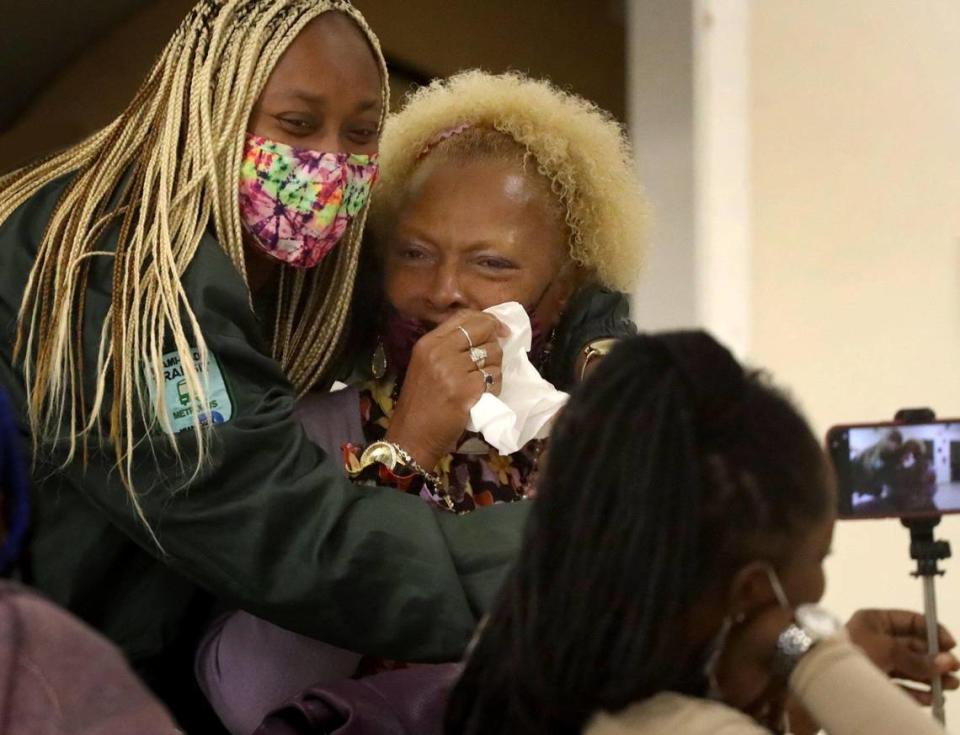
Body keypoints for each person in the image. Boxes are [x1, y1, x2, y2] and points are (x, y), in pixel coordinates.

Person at [0, 2, 620, 728]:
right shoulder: (114, 276)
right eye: (297, 125)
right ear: (216, 111)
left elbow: (546, 269)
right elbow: (293, 544)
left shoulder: (288, 259)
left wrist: (609, 356)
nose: (327, 164)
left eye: (361, 134)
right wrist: (593, 540)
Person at [197, 70, 646, 733]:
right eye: (415, 254)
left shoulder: (600, 449)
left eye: (492, 264)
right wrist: (402, 454)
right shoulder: (306, 436)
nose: (444, 291)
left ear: (562, 291)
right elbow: (251, 696)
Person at [445, 332, 960, 735]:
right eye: (821, 557)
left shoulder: (511, 655)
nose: (819, 588)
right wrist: (810, 651)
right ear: (753, 592)